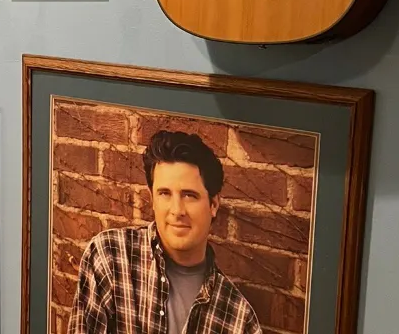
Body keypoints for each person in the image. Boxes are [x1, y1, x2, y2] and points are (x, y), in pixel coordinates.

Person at [67, 130, 262, 334]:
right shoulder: (110, 257)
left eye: (189, 195)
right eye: (165, 193)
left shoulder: (239, 320)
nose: (177, 210)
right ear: (152, 199)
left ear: (213, 204)